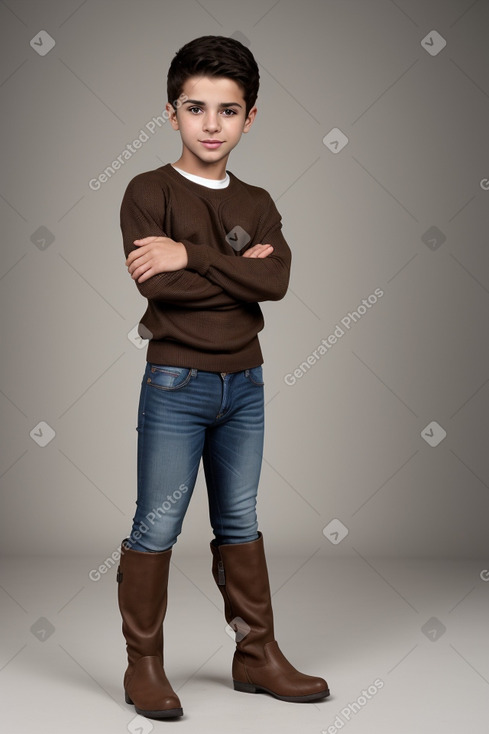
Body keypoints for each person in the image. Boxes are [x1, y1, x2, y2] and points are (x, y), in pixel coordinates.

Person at [117, 34, 329, 720]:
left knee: (239, 519)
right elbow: (165, 293)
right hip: (176, 383)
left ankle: (255, 655)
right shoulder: (146, 191)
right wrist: (235, 274)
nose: (211, 124)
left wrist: (192, 255)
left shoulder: (259, 199)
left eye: (227, 110)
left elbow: (279, 281)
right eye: (195, 108)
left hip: (245, 384)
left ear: (249, 117)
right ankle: (143, 664)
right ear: (171, 113)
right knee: (157, 525)